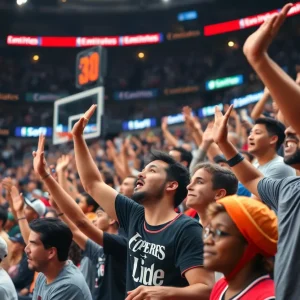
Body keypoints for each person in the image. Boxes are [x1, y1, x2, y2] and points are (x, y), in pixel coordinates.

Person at [69, 106, 214, 299]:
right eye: (143, 170)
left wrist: (161, 292)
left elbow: (206, 288)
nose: (141, 174)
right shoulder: (134, 214)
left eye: (152, 170)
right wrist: (78, 138)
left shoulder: (186, 229)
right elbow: (92, 183)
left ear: (171, 185)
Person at [212, 4, 300, 299]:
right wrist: (224, 145)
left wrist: (258, 59)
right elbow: (251, 181)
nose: (289, 135)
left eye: (294, 133)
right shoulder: (289, 187)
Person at [32, 153, 127, 300]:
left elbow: (80, 223)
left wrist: (46, 177)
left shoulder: (122, 245)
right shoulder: (101, 250)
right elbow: (75, 230)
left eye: (100, 215)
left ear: (112, 220)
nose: (94, 220)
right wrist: (58, 209)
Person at [206, 196, 277, 300]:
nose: (208, 240)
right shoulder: (221, 286)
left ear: (250, 245)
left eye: (220, 232)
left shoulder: (268, 297)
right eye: (209, 232)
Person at [25, 218, 92, 300]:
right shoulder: (43, 274)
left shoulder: (67, 286)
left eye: (33, 244)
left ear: (51, 252)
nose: (26, 249)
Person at [186, 162, 238, 227]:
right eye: (191, 182)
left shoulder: (231, 230)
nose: (188, 187)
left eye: (199, 182)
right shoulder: (187, 225)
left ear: (219, 194)